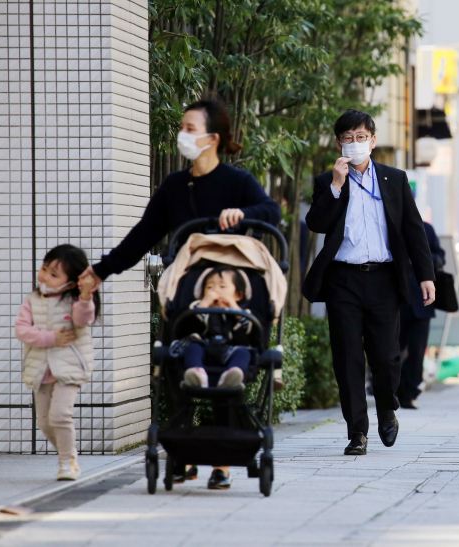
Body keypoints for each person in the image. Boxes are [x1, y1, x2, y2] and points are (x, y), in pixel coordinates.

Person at [80, 99, 281, 491]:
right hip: (186, 288)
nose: (183, 135)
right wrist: (101, 271)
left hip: (231, 290)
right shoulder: (174, 186)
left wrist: (241, 215)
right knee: (178, 360)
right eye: (184, 127)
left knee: (226, 359)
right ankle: (183, 455)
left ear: (212, 138)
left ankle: (222, 462)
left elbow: (270, 211)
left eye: (190, 128)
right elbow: (141, 237)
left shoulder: (236, 182)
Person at [302, 109, 436, 456]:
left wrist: (425, 275)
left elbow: (413, 230)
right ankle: (356, 432)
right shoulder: (327, 181)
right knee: (347, 357)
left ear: (373, 141)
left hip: (384, 277)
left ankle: (387, 408)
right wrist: (335, 185)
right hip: (343, 278)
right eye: (348, 138)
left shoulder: (394, 178)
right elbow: (316, 223)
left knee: (386, 355)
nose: (355, 144)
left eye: (362, 137)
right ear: (338, 143)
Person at [15, 245, 99, 481]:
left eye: (53, 274)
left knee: (60, 415)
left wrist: (86, 296)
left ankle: (67, 463)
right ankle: (69, 453)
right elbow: (22, 330)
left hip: (69, 367)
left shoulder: (75, 299)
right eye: (44, 269)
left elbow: (83, 320)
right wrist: (52, 338)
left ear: (71, 282)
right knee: (44, 422)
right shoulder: (33, 300)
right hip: (41, 369)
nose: (44, 276)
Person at [182, 265, 256, 390]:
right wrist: (204, 305)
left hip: (230, 351)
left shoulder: (242, 312)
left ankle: (232, 375)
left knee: (244, 353)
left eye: (222, 287)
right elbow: (187, 327)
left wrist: (235, 309)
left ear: (238, 295)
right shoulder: (197, 308)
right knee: (192, 348)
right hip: (203, 348)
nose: (214, 291)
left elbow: (250, 333)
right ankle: (197, 374)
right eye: (209, 287)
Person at [397, 222, 446, 409]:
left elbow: (440, 256)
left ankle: (410, 393)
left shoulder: (426, 228)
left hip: (421, 301)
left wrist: (419, 259)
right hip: (394, 300)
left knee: (417, 352)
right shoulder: (387, 225)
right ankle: (393, 390)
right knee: (392, 351)